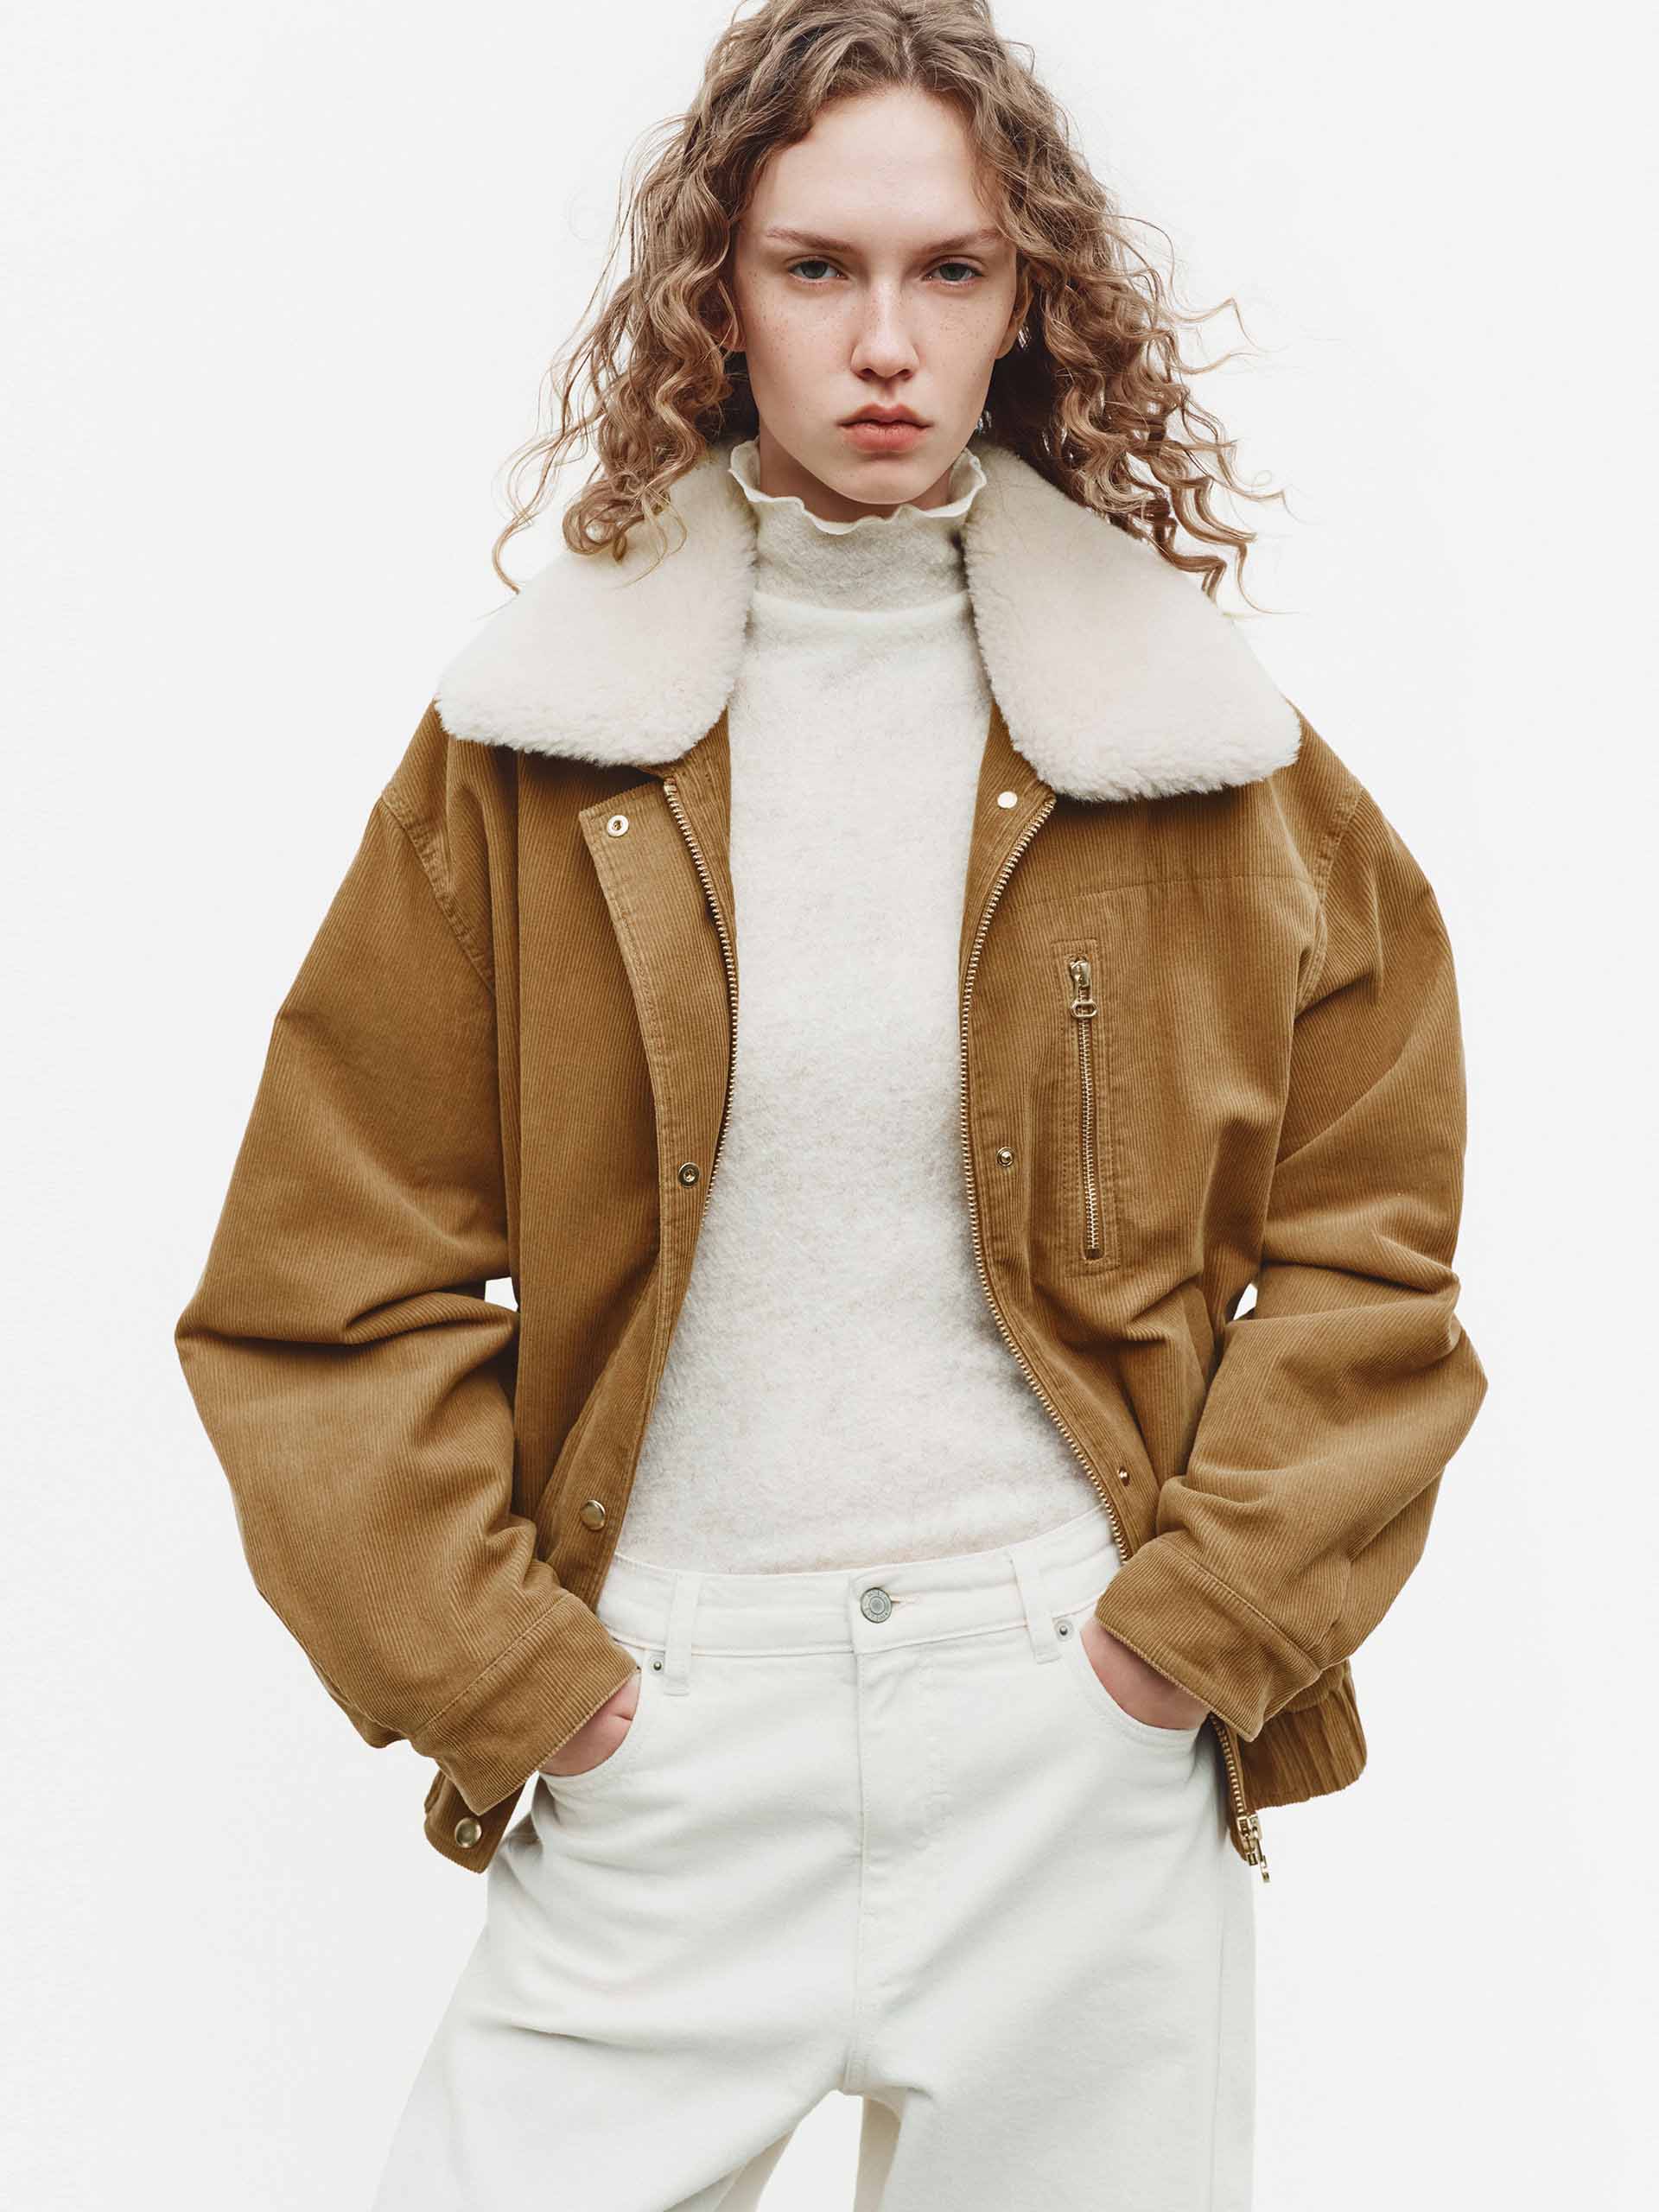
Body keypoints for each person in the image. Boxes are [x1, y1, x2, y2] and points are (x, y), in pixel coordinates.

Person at [173, 3, 1488, 2204]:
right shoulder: (538, 745)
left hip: (1074, 1749)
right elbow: (322, 1288)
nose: (887, 340)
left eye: (950, 269)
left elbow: (1373, 1253)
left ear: (1027, 302)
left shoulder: (1192, 740)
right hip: (674, 1733)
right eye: (817, 267)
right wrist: (529, 1684)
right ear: (720, 294)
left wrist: (1183, 1644)